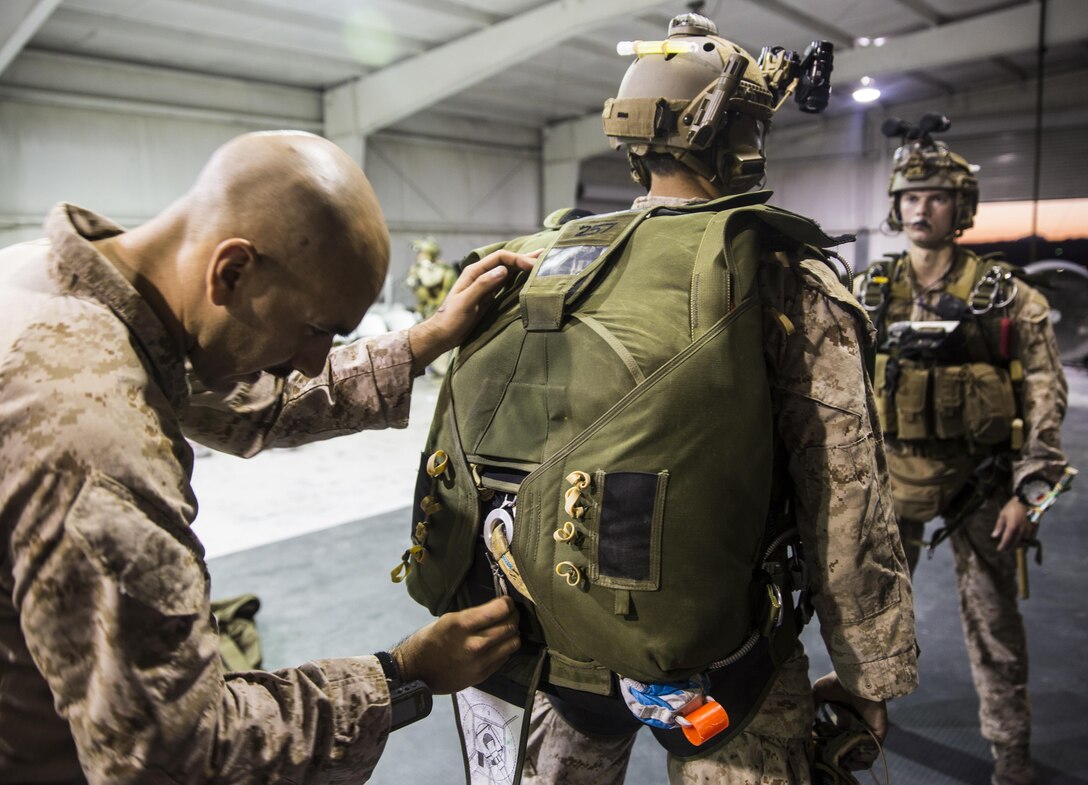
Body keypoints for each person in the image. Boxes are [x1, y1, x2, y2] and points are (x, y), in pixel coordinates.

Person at [398, 14, 917, 784]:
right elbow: (847, 500)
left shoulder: (531, 262)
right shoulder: (779, 274)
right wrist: (870, 675)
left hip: (540, 651)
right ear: (742, 135)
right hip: (719, 663)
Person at [0, 130, 536, 784]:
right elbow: (179, 756)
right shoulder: (99, 446)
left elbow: (259, 400)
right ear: (231, 270)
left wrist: (426, 340)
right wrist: (401, 674)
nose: (311, 359)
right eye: (317, 330)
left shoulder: (51, 280)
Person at [856, 116, 1069, 785]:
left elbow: (1044, 394)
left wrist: (1030, 493)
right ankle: (860, 728)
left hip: (980, 485)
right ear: (896, 207)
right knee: (867, 618)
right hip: (890, 481)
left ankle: (1009, 757)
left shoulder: (1005, 296)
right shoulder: (869, 293)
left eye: (938, 195)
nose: (922, 207)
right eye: (911, 196)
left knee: (995, 631)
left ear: (962, 208)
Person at [406, 236, 458, 319]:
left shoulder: (443, 269)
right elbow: (411, 283)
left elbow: (429, 281)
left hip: (440, 309)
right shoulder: (419, 268)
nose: (418, 256)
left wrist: (423, 268)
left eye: (421, 253)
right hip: (424, 309)